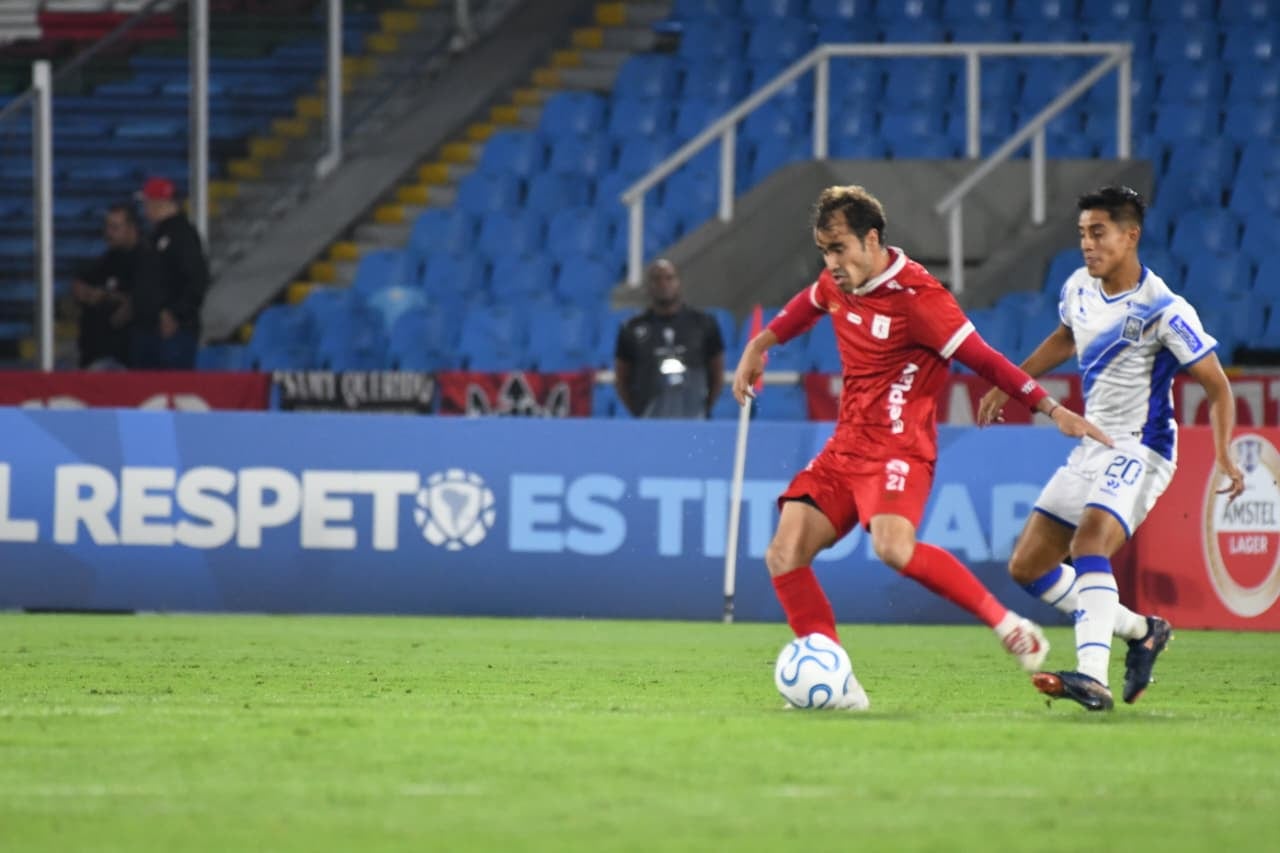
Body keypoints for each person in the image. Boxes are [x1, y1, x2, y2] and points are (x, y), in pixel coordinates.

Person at [731, 185, 1114, 709]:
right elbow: (809, 302)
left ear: (871, 239)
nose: (831, 263)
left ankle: (1007, 625)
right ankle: (840, 688)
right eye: (824, 250)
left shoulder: (921, 300)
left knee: (892, 547)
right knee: (783, 553)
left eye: (839, 248)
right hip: (844, 449)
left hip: (898, 450)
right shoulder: (838, 282)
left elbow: (984, 359)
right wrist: (761, 344)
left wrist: (1051, 408)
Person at [977, 185, 1245, 711]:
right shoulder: (1079, 287)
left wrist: (1226, 454)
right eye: (1082, 234)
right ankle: (1143, 630)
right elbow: (1065, 336)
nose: (1087, 245)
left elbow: (1217, 385)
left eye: (1098, 233)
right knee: (1027, 567)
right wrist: (1012, 379)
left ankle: (1090, 676)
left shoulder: (1164, 309)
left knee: (1090, 545)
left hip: (1144, 449)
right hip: (1092, 446)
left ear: (1130, 236)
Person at [615, 259, 725, 418]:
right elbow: (622, 380)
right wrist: (639, 413)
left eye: (669, 278)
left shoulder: (704, 324)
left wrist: (703, 410)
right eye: (657, 279)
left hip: (693, 420)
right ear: (648, 286)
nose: (663, 284)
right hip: (649, 422)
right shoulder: (631, 329)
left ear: (678, 282)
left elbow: (717, 375)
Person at [133, 176, 209, 369]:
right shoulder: (154, 236)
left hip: (173, 332)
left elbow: (197, 279)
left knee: (170, 387)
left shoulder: (182, 235)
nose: (145, 208)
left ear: (159, 202)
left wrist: (176, 314)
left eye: (147, 202)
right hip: (149, 328)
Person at [71, 204, 143, 369]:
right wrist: (82, 291)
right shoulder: (106, 260)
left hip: (129, 356)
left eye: (115, 227)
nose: (108, 233)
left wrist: (107, 297)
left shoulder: (146, 261)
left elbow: (144, 299)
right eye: (107, 227)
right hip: (96, 352)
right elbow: (81, 284)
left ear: (132, 228)